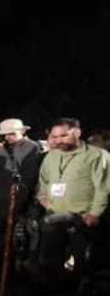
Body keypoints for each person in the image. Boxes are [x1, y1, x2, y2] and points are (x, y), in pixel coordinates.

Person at [36, 118, 110, 281]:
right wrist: (42, 197)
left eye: (63, 136)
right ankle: (53, 291)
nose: (58, 141)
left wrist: (95, 213)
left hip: (83, 218)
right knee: (49, 262)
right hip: (54, 215)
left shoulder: (97, 155)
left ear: (76, 133)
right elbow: (43, 181)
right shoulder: (51, 156)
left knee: (82, 264)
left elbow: (103, 187)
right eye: (55, 137)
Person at [0, 118, 41, 278]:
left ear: (23, 131)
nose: (7, 138)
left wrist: (2, 152)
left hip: (13, 199)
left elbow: (21, 174)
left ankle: (8, 276)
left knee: (7, 239)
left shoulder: (31, 147)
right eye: (5, 134)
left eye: (11, 134)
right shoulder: (3, 146)